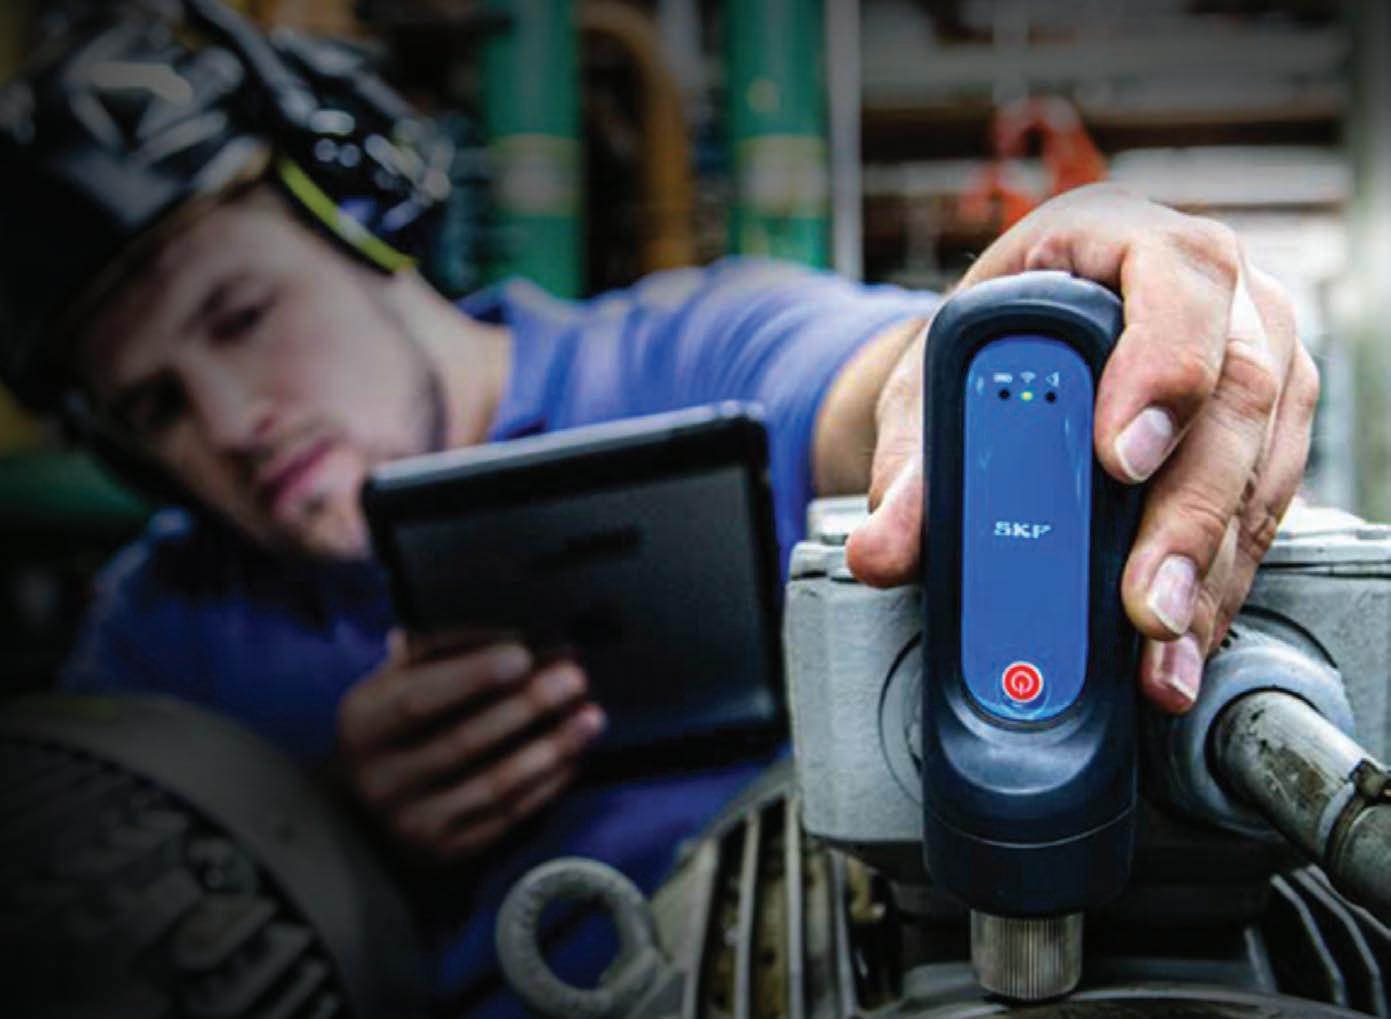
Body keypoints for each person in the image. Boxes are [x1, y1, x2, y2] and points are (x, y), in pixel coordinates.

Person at [0, 5, 1318, 1015]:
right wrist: (326, 822)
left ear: (366, 220)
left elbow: (881, 391)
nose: (230, 421)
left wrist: (1034, 318)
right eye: (156, 407)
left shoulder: (700, 355)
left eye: (242, 315)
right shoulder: (158, 639)